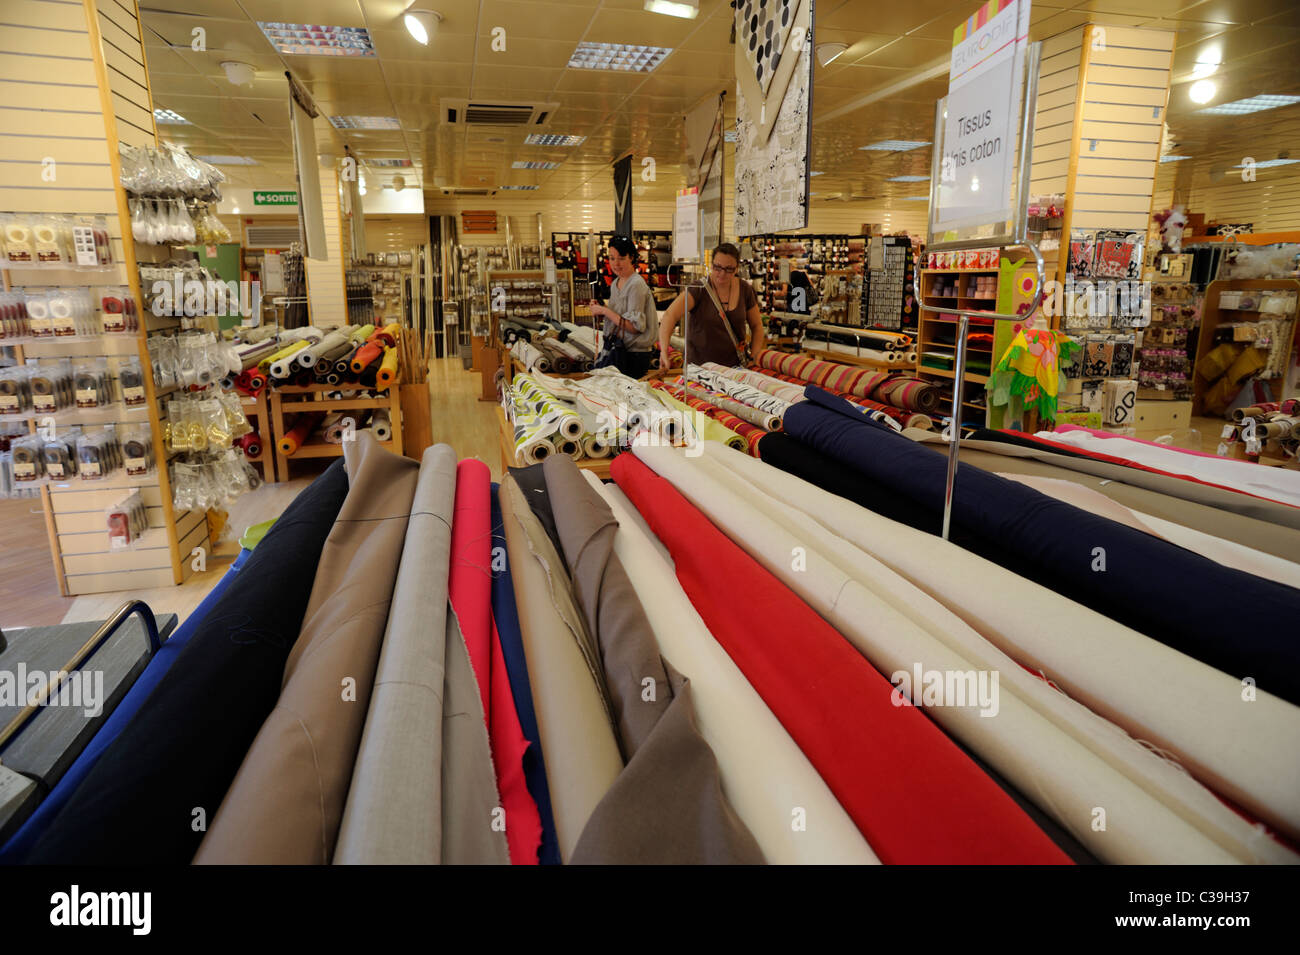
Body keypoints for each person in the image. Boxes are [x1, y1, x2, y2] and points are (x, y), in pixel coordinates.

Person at [658, 242, 763, 370]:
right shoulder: (698, 289)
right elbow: (670, 315)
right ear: (711, 264)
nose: (722, 273)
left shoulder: (745, 290)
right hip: (700, 370)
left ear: (736, 269)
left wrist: (754, 356)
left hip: (734, 370)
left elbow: (757, 326)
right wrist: (663, 351)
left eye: (728, 269)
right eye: (717, 267)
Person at [589, 235, 659, 378]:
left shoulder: (636, 285)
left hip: (634, 356)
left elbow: (634, 327)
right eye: (612, 258)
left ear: (631, 258)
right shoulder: (616, 284)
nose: (616, 263)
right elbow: (619, 317)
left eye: (621, 258)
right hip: (619, 350)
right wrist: (600, 310)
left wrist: (605, 311)